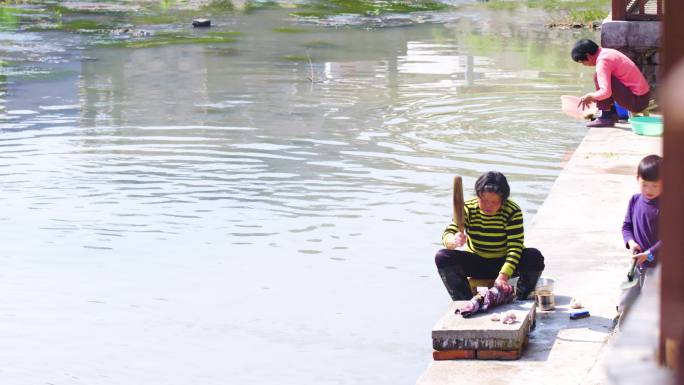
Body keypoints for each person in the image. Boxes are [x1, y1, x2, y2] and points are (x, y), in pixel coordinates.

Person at [434, 171, 545, 301]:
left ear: (503, 200)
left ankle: (521, 298)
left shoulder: (512, 211)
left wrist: (503, 275)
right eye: (484, 200)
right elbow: (448, 233)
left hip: (503, 261)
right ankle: (465, 301)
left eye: (494, 202)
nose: (488, 206)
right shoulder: (468, 208)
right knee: (443, 256)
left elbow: (515, 248)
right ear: (478, 195)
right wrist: (454, 240)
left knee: (534, 256)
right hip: (477, 261)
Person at [571, 39, 650, 128]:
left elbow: (606, 92)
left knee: (597, 77)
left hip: (637, 103)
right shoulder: (608, 52)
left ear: (588, 56)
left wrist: (591, 96)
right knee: (603, 79)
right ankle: (611, 114)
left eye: (582, 62)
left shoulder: (603, 61)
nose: (584, 65)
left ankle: (606, 117)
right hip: (643, 98)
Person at [619, 154, 662, 315]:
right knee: (626, 302)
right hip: (637, 265)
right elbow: (626, 226)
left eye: (655, 186)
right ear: (637, 179)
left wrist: (649, 254)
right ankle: (623, 333)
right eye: (645, 185)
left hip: (657, 268)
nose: (649, 190)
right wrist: (631, 242)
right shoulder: (635, 200)